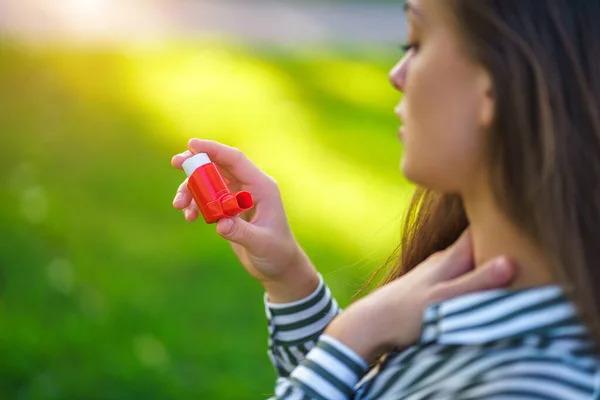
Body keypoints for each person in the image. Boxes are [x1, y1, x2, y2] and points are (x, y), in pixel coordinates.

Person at [171, 0, 600, 398]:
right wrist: (289, 279)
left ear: (495, 87)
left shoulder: (530, 385)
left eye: (416, 42)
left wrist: (354, 334)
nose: (396, 74)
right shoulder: (467, 304)